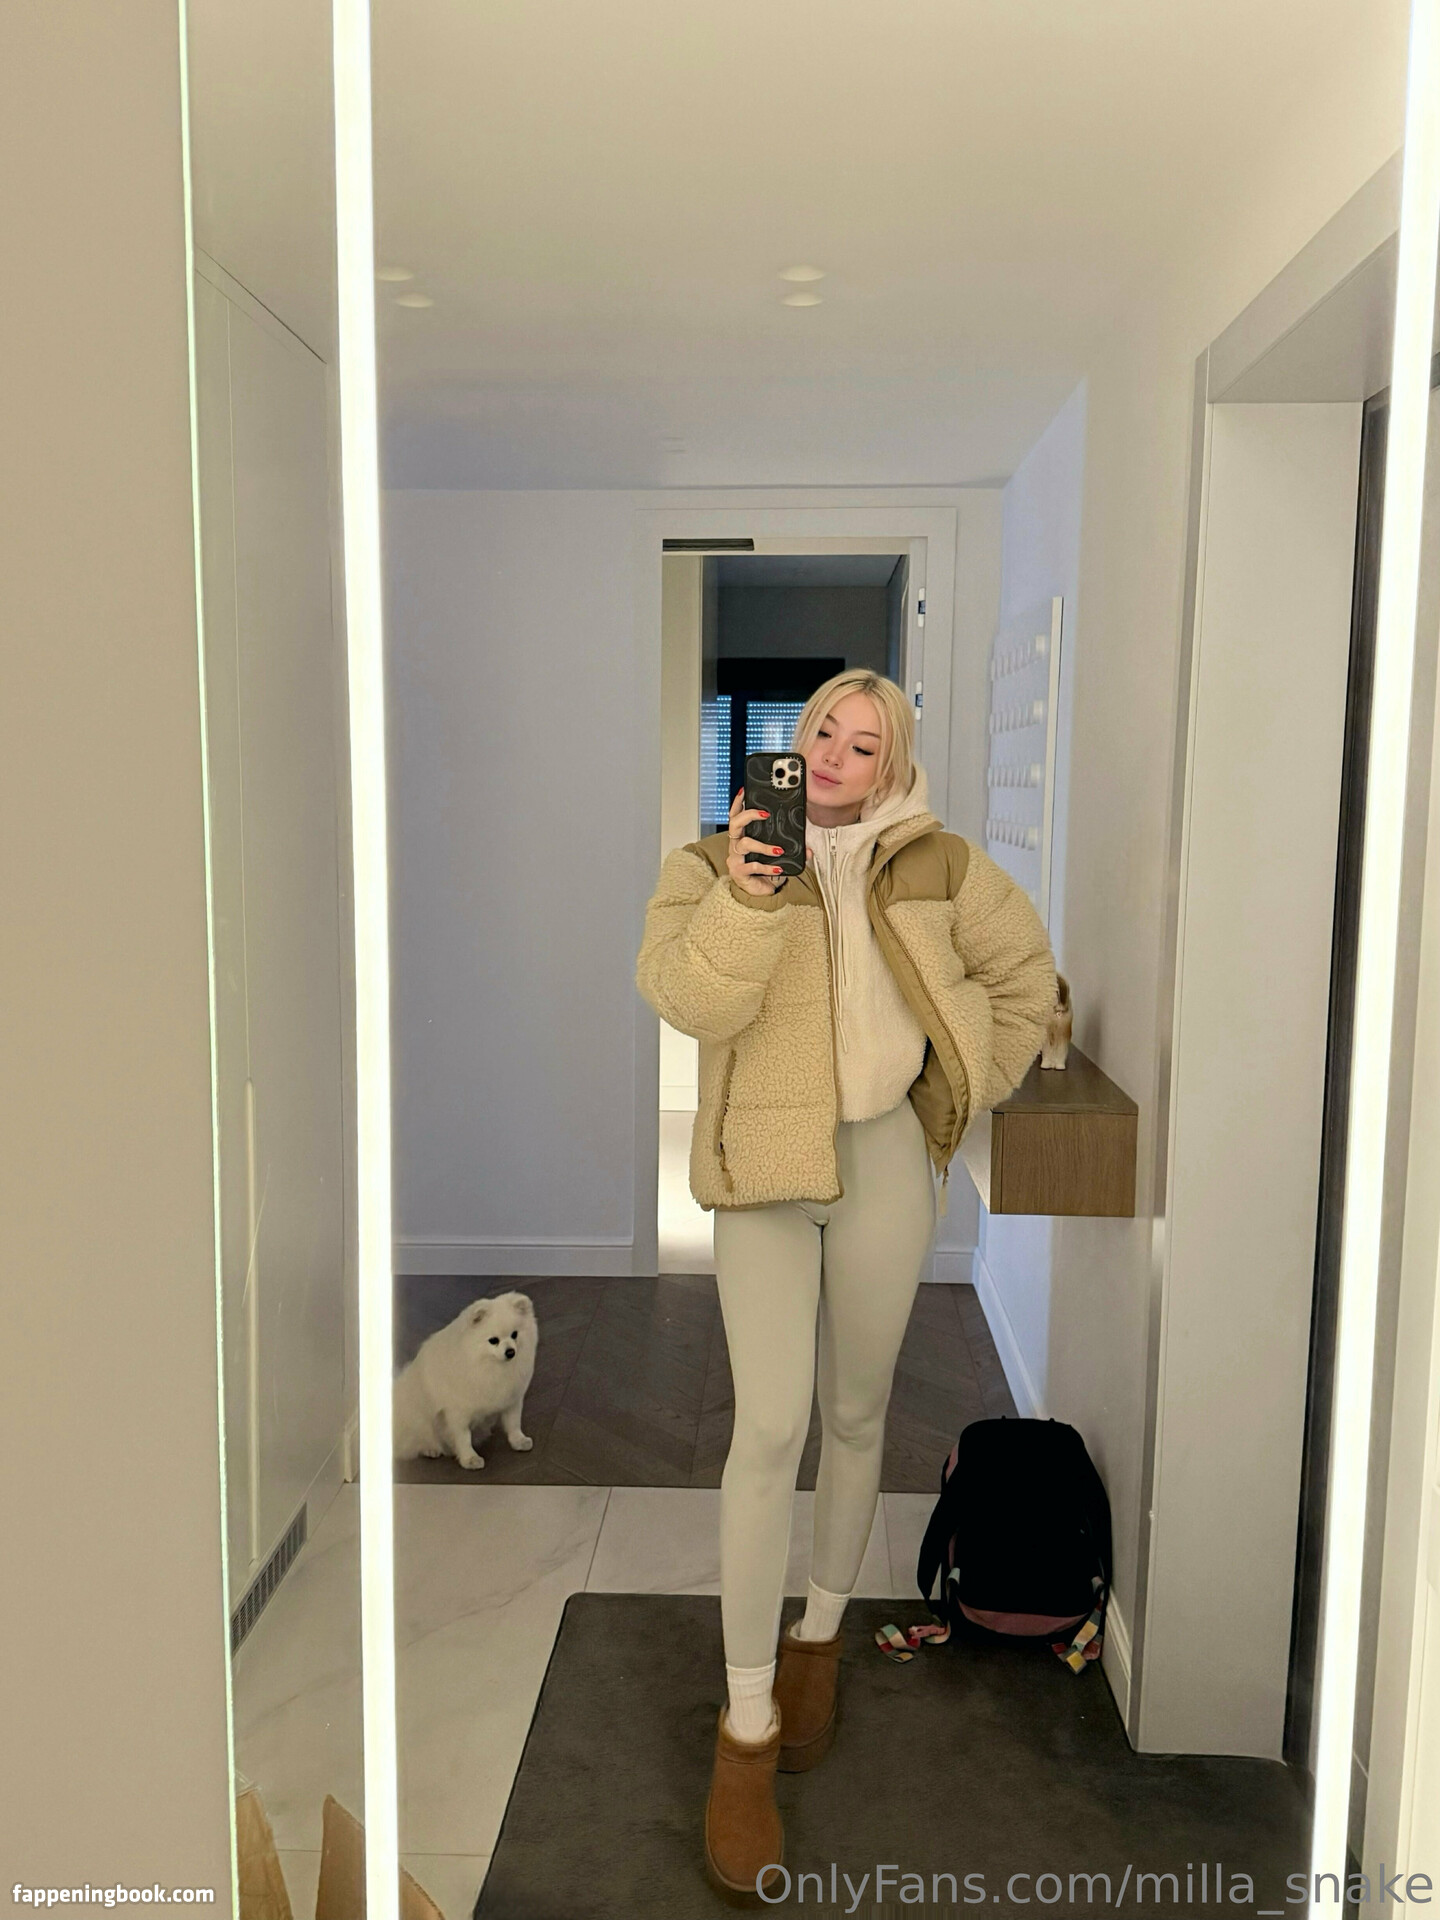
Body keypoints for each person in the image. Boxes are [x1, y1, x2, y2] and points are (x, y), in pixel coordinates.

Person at [636, 668, 1057, 1906]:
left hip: (884, 1165)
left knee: (859, 1414)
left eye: (863, 743)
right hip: (764, 1169)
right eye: (823, 728)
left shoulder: (942, 867)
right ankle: (747, 1723)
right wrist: (750, 896)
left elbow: (1025, 981)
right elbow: (684, 998)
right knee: (768, 1430)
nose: (832, 753)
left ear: (894, 766)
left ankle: (819, 1640)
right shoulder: (708, 864)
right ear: (796, 739)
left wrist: (957, 1079)